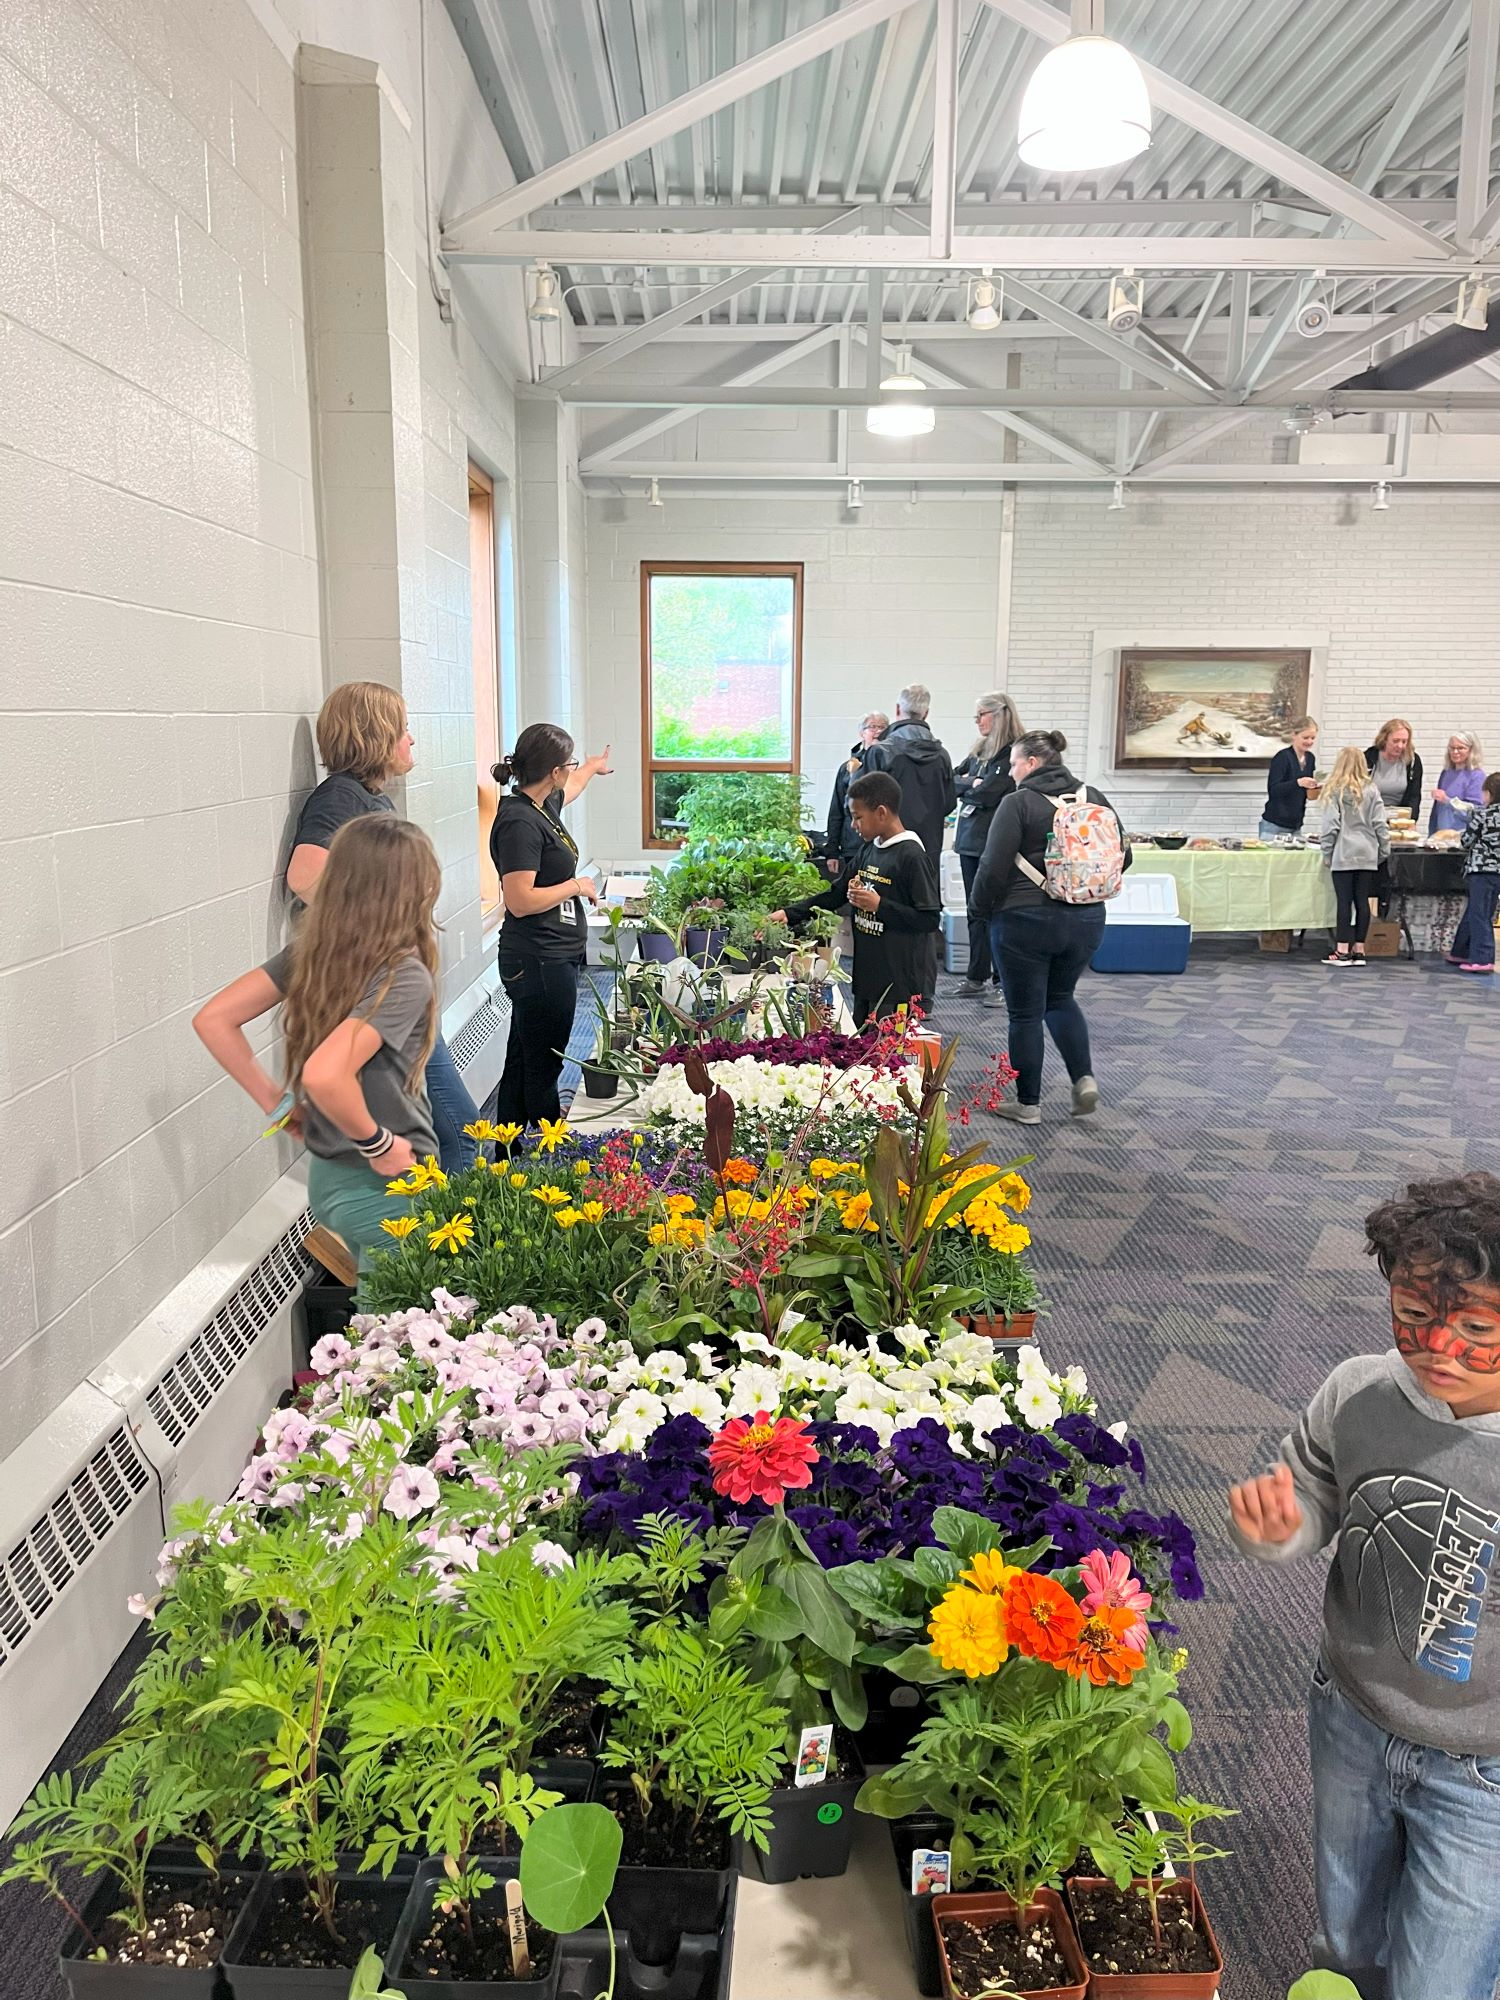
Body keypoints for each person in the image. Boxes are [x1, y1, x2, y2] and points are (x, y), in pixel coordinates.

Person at [1227, 1170, 1500, 2000]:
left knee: (1444, 1976)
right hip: (1350, 1711)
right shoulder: (1357, 1392)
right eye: (1413, 1317)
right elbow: (1313, 1489)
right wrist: (1283, 1529)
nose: (1436, 1349)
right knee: (1347, 1931)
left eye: (1476, 1327)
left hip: (1484, 1766)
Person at [193, 817, 441, 1281]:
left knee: (385, 1327)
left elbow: (214, 1019)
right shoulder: (402, 974)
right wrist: (378, 1142)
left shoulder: (314, 953)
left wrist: (278, 1105)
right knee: (399, 1338)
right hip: (385, 1184)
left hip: (329, 1178)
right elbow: (326, 1074)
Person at [285, 680, 478, 1177]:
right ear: (375, 735)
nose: (411, 740)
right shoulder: (340, 798)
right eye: (404, 730)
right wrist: (376, 936)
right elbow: (304, 876)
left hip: (400, 994)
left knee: (447, 1130)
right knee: (459, 1129)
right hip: (380, 991)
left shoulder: (369, 799)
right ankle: (447, 1245)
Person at [968, 729, 1128, 1125]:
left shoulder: (1018, 803)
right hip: (1087, 919)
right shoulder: (1095, 798)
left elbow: (992, 867)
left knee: (1024, 1013)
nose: (1010, 769)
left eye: (1015, 762)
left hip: (1024, 919)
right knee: (1060, 998)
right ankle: (1084, 1078)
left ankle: (1028, 1105)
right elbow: (1124, 859)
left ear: (1033, 763)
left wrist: (979, 911)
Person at [490, 723, 612, 1130]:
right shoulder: (520, 823)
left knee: (524, 1055)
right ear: (552, 771)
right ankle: (549, 1155)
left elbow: (572, 787)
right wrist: (575, 886)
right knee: (545, 1061)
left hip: (550, 955)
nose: (571, 772)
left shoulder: (541, 805)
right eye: (570, 764)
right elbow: (520, 900)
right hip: (537, 958)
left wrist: (593, 766)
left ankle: (508, 1150)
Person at [775, 770, 940, 1027]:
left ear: (882, 813)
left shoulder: (911, 856)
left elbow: (929, 918)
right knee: (862, 1045)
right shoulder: (869, 849)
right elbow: (836, 894)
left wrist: (879, 906)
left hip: (897, 982)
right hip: (868, 974)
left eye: (858, 817)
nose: (853, 826)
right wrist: (790, 913)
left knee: (886, 1055)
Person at [953, 693, 1024, 1002]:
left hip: (995, 843)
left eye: (982, 714)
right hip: (969, 841)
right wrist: (973, 784)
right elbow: (950, 780)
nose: (978, 721)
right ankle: (975, 975)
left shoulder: (1013, 753)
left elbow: (991, 794)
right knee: (975, 909)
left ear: (999, 715)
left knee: (997, 911)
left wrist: (973, 787)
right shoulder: (979, 751)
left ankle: (1001, 981)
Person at [862, 684, 956, 867]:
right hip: (929, 847)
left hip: (888, 846)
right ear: (926, 713)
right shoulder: (942, 755)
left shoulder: (880, 752)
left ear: (898, 709)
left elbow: (865, 804)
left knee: (886, 894)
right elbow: (949, 802)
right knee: (925, 893)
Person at [1319, 746, 1391, 966]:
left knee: (1344, 902)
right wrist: (1383, 850)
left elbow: (1331, 826)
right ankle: (1359, 950)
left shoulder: (1335, 790)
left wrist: (1327, 851)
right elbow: (1381, 824)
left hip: (1344, 852)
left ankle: (1341, 951)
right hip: (1367, 853)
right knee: (1363, 902)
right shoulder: (1372, 789)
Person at [824, 711, 889, 876]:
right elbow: (836, 810)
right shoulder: (848, 768)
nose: (878, 731)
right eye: (872, 727)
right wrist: (832, 851)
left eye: (883, 727)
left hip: (884, 843)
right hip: (853, 843)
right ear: (862, 733)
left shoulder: (893, 764)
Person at [1448, 769, 1500, 974]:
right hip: (1498, 872)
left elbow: (1466, 840)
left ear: (1489, 793)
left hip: (1481, 870)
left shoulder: (1483, 815)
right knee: (1478, 911)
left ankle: (1483, 957)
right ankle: (1460, 951)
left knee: (1479, 914)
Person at [1260, 716, 1320, 841]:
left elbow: (1306, 793)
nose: (1309, 741)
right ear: (1294, 735)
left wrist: (1317, 788)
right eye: (1305, 737)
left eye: (1312, 738)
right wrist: (1298, 782)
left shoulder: (1311, 759)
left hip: (1296, 824)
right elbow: (1274, 790)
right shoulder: (1282, 757)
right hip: (1274, 824)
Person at [1430, 731, 1487, 835]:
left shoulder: (1477, 776)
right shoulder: (1446, 773)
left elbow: (1474, 812)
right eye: (1452, 748)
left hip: (1463, 837)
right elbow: (1437, 809)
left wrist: (1447, 801)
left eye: (1460, 748)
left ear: (1471, 750)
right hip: (1442, 835)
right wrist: (1432, 834)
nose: (1455, 752)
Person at [1364, 719, 1423, 818]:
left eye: (1404, 742)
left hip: (1399, 818)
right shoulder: (1368, 758)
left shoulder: (1413, 761)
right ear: (1385, 739)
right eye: (1395, 741)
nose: (1400, 746)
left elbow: (1414, 796)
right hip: (1370, 816)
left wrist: (1412, 821)